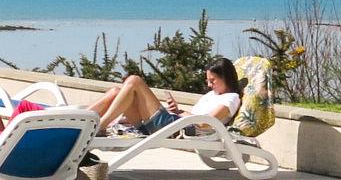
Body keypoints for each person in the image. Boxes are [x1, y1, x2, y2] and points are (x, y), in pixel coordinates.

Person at [90, 56, 242, 136]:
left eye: (212, 80)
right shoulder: (212, 94)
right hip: (171, 123)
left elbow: (205, 123)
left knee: (134, 81)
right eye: (208, 81)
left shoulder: (231, 98)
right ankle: (83, 119)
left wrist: (180, 113)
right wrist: (178, 111)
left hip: (173, 128)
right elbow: (196, 116)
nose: (209, 85)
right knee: (116, 91)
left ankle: (100, 126)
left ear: (226, 77)